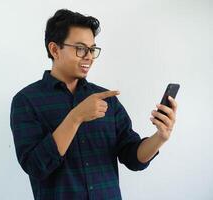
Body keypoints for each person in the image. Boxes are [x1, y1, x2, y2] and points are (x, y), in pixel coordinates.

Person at [10, 9, 177, 200]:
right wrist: (75, 117)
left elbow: (133, 158)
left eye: (92, 49)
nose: (89, 56)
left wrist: (160, 137)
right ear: (55, 49)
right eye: (80, 48)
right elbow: (35, 166)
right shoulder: (27, 101)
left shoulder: (106, 99)